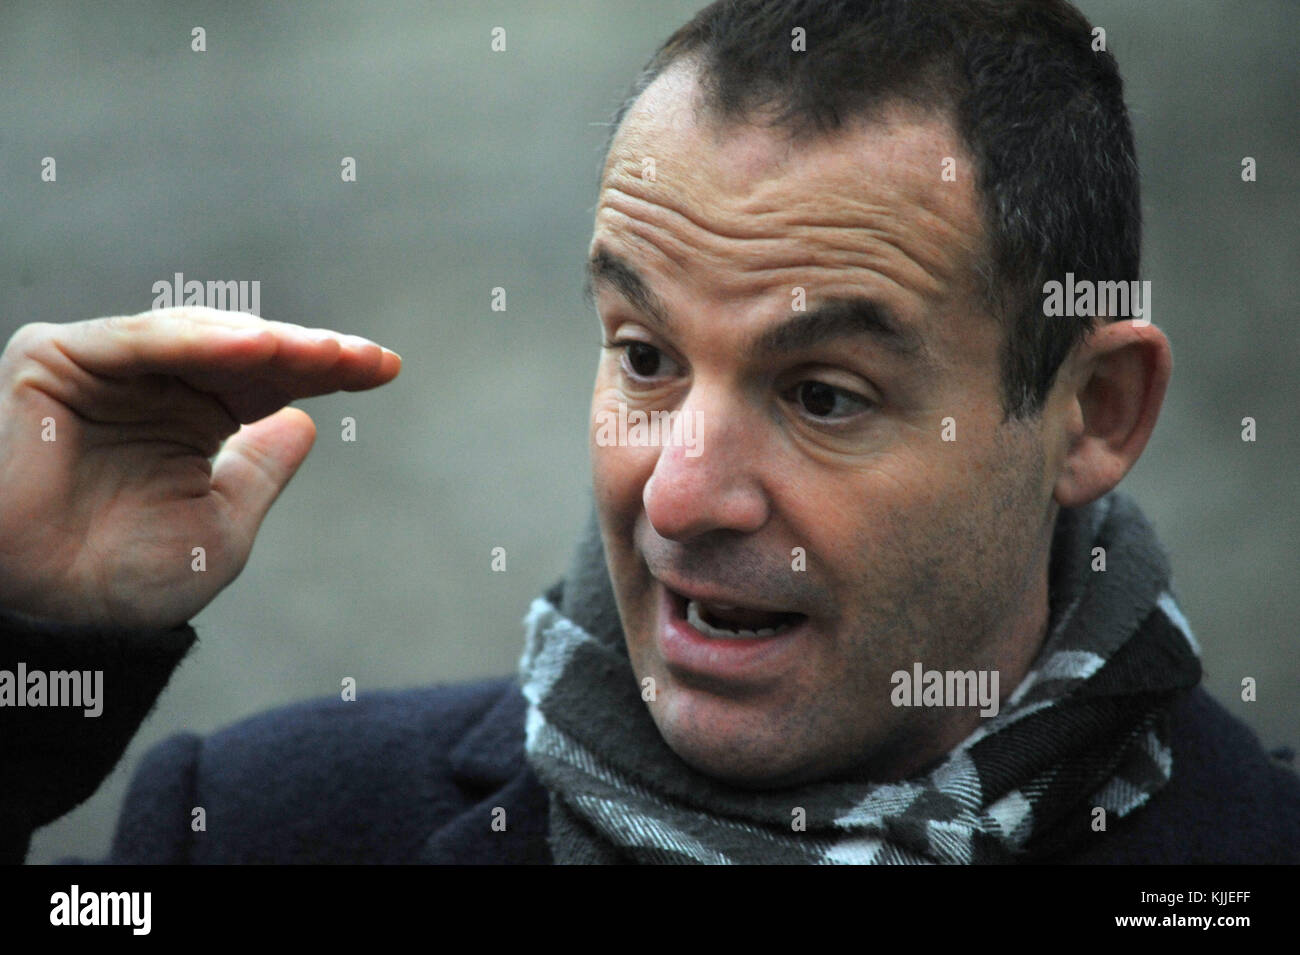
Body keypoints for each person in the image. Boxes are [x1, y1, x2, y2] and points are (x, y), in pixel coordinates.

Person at [3, 0, 1297, 865]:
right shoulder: (260, 829)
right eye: (645, 357)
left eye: (823, 395)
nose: (681, 496)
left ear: (1094, 414)